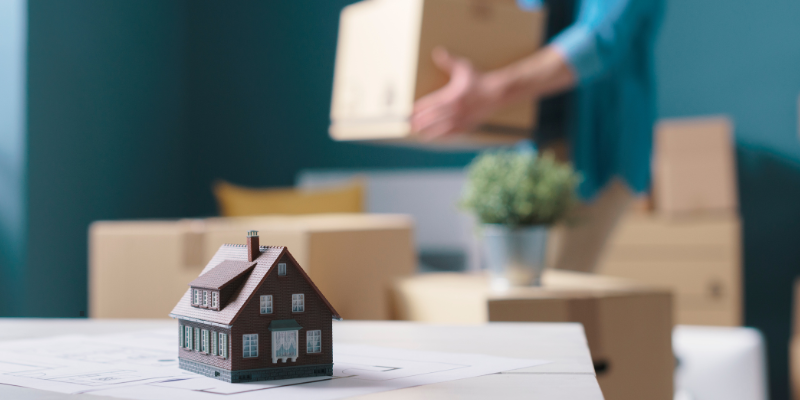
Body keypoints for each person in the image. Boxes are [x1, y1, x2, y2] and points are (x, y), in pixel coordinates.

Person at [411, 0, 664, 272]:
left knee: (558, 288)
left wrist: (491, 91)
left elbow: (601, 39)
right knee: (521, 285)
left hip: (599, 149)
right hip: (534, 147)